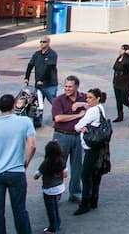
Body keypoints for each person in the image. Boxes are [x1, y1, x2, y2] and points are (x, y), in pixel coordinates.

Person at [0, 93, 38, 234]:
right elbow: (32, 146)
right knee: (19, 210)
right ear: (13, 106)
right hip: (16, 171)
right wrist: (25, 163)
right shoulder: (24, 122)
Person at [49, 75, 87, 203]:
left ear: (77, 86)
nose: (67, 89)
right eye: (65, 86)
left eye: (70, 86)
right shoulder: (59, 100)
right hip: (62, 135)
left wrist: (82, 104)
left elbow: (98, 102)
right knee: (58, 165)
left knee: (78, 166)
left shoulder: (84, 97)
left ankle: (75, 192)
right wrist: (78, 115)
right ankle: (56, 191)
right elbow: (58, 118)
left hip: (78, 137)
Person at [72, 88, 109, 215]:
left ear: (97, 98)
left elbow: (77, 126)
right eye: (86, 98)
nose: (87, 100)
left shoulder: (92, 111)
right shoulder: (99, 107)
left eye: (90, 98)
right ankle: (93, 199)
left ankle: (85, 203)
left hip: (91, 147)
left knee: (85, 175)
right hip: (98, 146)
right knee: (94, 174)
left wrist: (82, 128)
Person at [34, 138, 67, 234]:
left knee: (50, 209)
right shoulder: (62, 160)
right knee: (55, 206)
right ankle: (58, 222)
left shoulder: (46, 163)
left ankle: (52, 227)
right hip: (59, 187)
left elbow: (36, 175)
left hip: (48, 189)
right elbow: (65, 174)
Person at [24, 36, 60, 111]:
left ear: (48, 43)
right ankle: (38, 121)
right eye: (41, 42)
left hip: (50, 84)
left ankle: (59, 115)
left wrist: (42, 80)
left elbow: (49, 68)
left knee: (54, 102)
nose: (42, 43)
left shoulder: (52, 54)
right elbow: (30, 65)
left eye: (44, 42)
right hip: (39, 85)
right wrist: (26, 77)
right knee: (38, 103)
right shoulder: (37, 54)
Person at [112, 44, 129, 123]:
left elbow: (123, 65)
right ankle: (120, 115)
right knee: (118, 100)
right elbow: (115, 67)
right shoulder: (119, 58)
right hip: (117, 80)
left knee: (124, 99)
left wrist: (126, 55)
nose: (120, 50)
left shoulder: (128, 59)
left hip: (126, 81)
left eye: (122, 49)